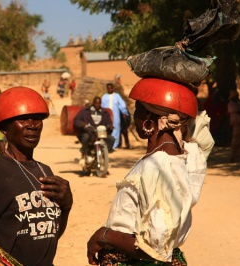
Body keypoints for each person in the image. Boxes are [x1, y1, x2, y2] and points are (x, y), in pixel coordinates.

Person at [87, 77, 214, 266]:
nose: (133, 115)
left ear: (150, 118)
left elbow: (156, 248)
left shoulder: (159, 165)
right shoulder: (184, 156)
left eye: (138, 109)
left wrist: (104, 235)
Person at [0, 86, 73, 266]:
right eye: (22, 119)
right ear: (4, 128)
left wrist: (67, 205)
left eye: (37, 119)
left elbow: (50, 233)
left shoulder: (44, 171)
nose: (32, 125)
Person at [101, 83, 130, 150]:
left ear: (113, 88)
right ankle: (107, 144)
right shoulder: (104, 96)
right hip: (106, 115)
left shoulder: (117, 96)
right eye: (108, 88)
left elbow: (122, 105)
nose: (109, 89)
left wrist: (124, 112)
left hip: (115, 116)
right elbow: (102, 106)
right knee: (106, 128)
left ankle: (114, 144)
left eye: (111, 88)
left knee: (116, 129)